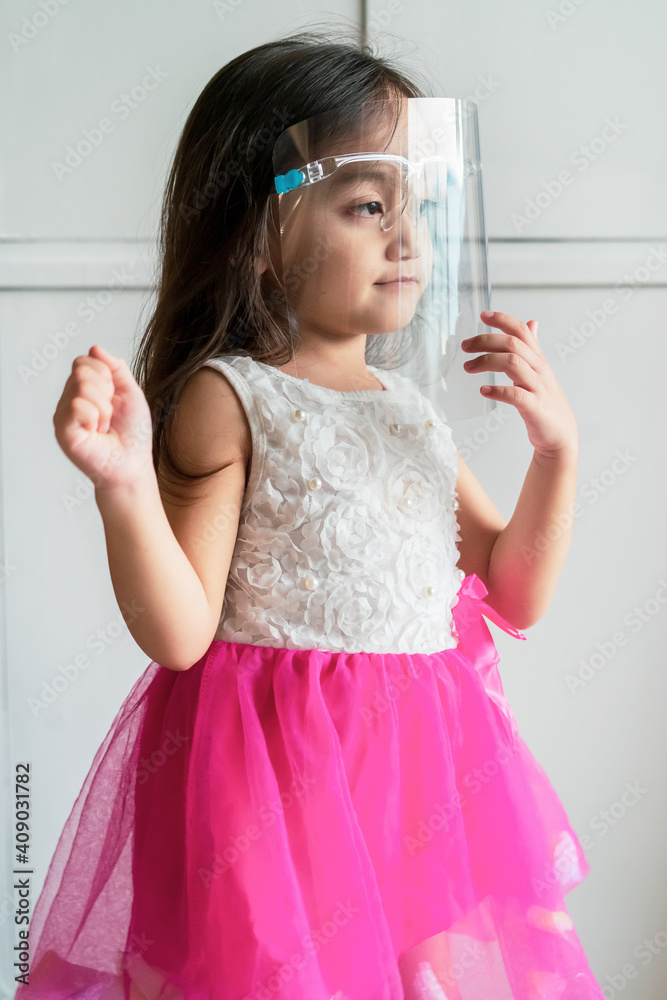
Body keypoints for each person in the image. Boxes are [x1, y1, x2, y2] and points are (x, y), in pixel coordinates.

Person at [16, 28, 605, 1000]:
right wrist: (123, 485)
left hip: (411, 785)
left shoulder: (407, 410)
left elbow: (514, 593)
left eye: (420, 207)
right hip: (272, 791)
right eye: (369, 206)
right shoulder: (233, 398)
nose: (407, 239)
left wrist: (557, 453)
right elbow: (181, 632)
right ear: (257, 235)